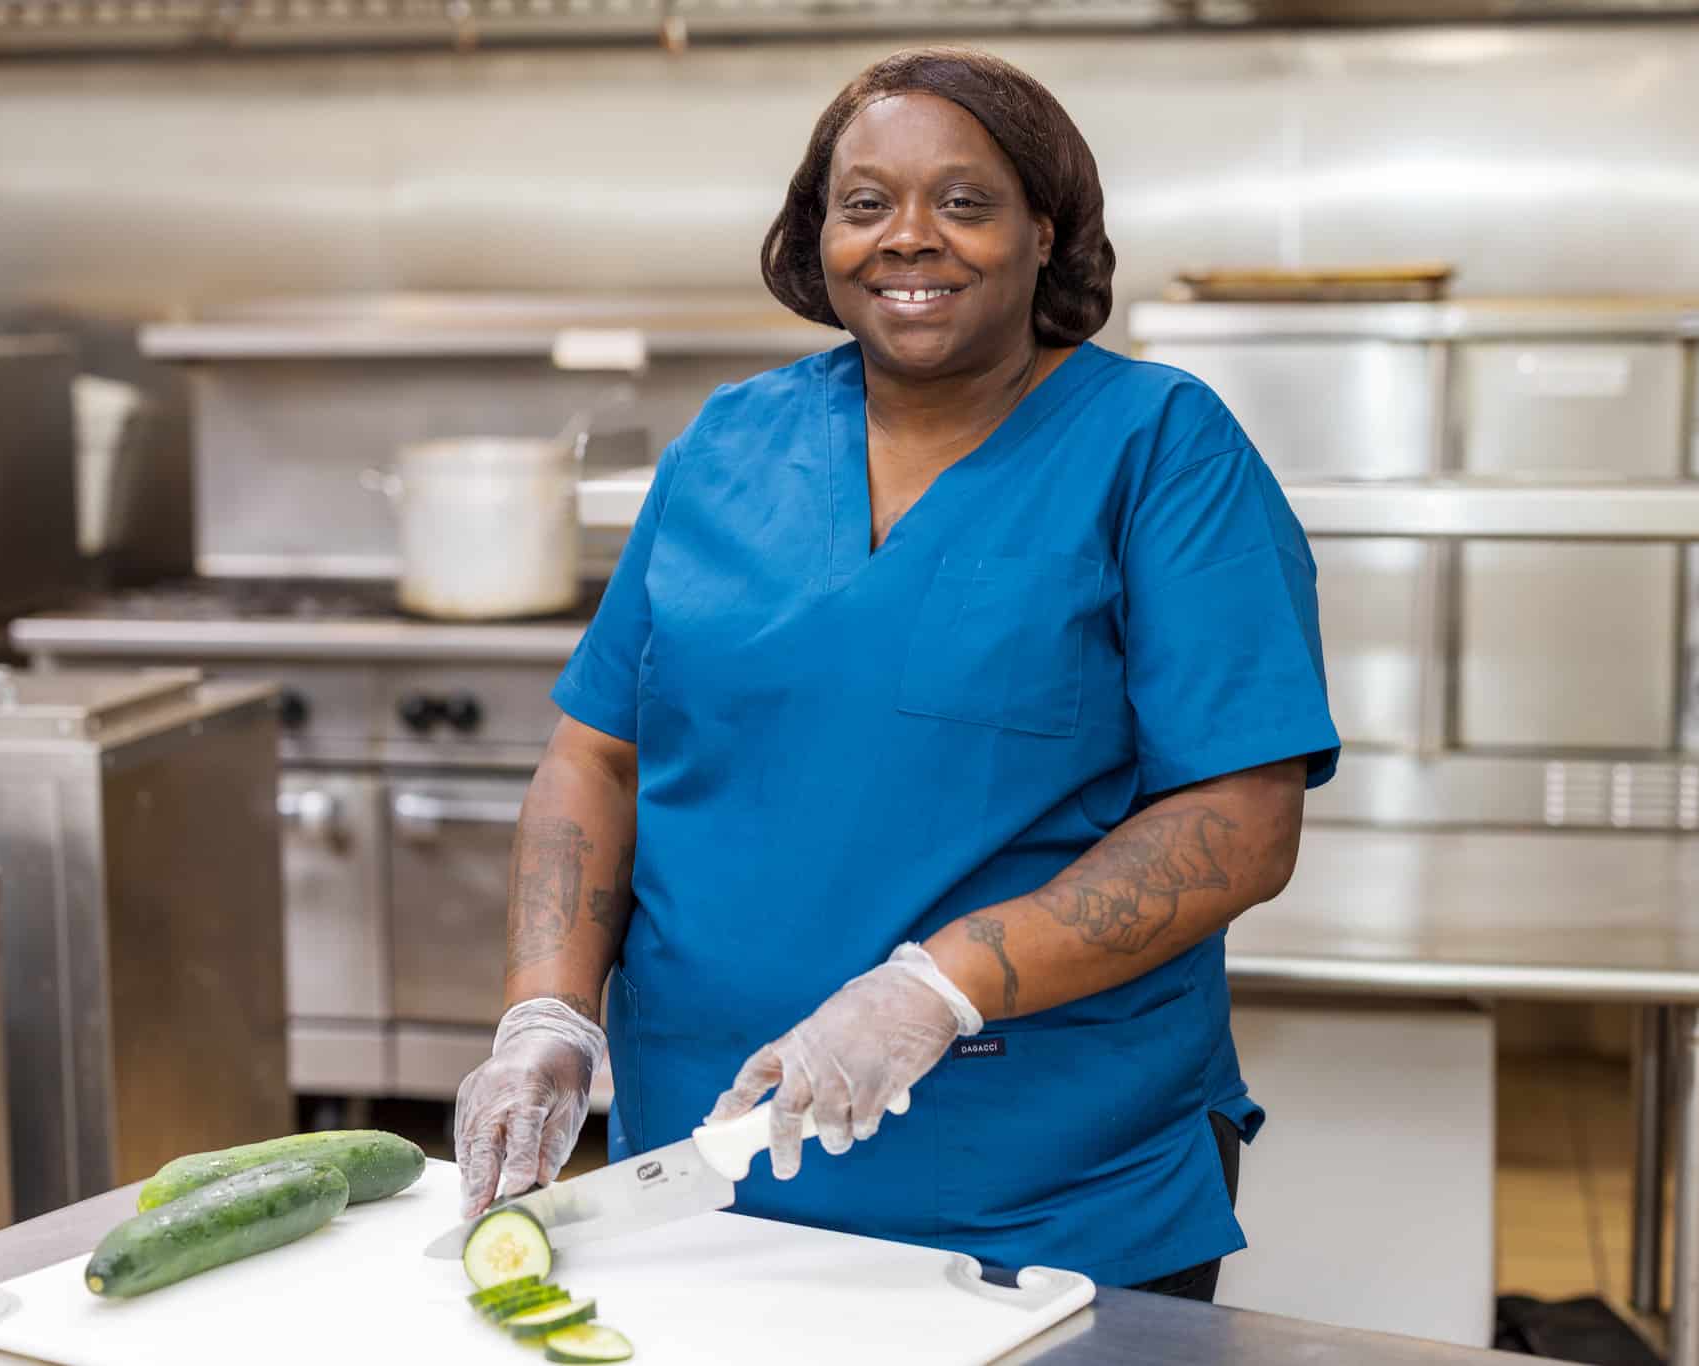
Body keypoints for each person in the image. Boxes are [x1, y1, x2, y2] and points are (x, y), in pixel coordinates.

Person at [453, 44, 1340, 1300]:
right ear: (816, 234)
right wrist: (546, 1013)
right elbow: (597, 752)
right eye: (863, 203)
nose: (908, 238)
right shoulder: (728, 444)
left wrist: (938, 986)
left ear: (1047, 230)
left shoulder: (1158, 447)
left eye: (964, 203)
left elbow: (1239, 824)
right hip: (702, 1180)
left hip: (1041, 1200)